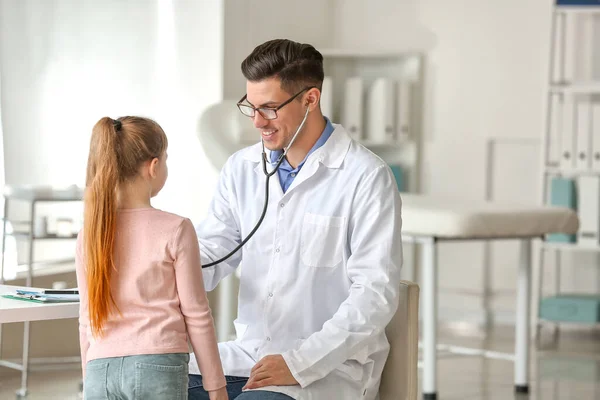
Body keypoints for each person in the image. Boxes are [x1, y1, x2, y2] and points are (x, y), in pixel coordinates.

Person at [188, 39, 403, 400]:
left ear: (310, 99)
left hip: (329, 368)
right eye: (251, 107)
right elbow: (215, 251)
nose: (257, 122)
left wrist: (300, 362)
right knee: (154, 384)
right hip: (249, 354)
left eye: (270, 109)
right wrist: (162, 269)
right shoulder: (241, 168)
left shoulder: (366, 176)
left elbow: (375, 294)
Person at [76, 116, 228, 400]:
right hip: (159, 363)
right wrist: (216, 386)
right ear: (154, 166)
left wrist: (90, 380)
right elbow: (196, 314)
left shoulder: (90, 233)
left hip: (100, 368)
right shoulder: (177, 228)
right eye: (166, 159)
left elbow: (86, 320)